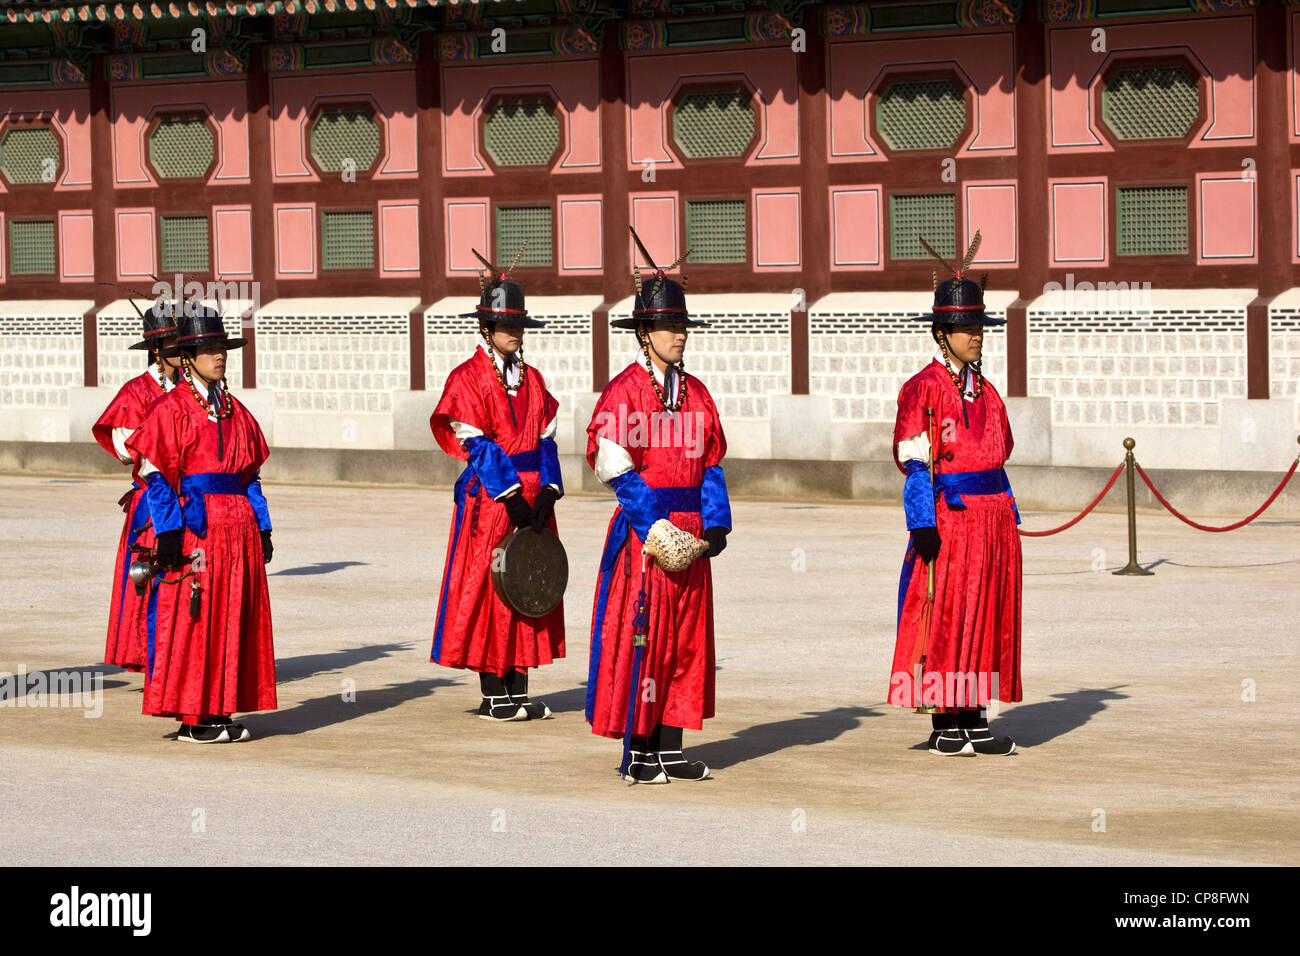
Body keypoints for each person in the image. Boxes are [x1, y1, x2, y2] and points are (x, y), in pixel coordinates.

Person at [584, 231, 731, 784]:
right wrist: (656, 527)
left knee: (686, 644)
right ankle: (639, 750)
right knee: (645, 640)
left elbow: (711, 461)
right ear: (644, 334)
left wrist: (716, 523)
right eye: (670, 327)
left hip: (693, 531)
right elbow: (616, 467)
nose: (679, 336)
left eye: (683, 327)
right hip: (649, 538)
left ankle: (671, 746)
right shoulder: (623, 392)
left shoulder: (696, 393)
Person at [889, 232, 1020, 756]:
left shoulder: (986, 390)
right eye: (967, 328)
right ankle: (945, 720)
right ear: (942, 333)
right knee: (946, 614)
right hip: (950, 518)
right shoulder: (923, 388)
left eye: (980, 328)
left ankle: (975, 715)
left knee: (984, 613)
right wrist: (921, 522)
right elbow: (915, 460)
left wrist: (1009, 509)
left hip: (992, 521)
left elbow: (1001, 452)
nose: (977, 337)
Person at [127, 305, 276, 743]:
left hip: (239, 530)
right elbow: (155, 472)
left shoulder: (236, 409)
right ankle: (192, 717)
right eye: (210, 349)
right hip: (197, 529)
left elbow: (251, 476)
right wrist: (169, 531)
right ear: (187, 356)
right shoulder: (170, 408)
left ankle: (218, 709)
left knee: (231, 617)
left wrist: (263, 526)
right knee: (194, 617)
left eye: (222, 348)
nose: (220, 356)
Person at [429, 249, 564, 721]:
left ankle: (520, 687)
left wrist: (548, 490)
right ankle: (493, 691)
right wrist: (511, 497)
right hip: (493, 498)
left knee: (529, 582)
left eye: (519, 325)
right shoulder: (467, 379)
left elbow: (547, 438)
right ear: (485, 328)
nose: (513, 332)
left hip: (533, 496)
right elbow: (476, 444)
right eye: (505, 325)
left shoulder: (535, 380)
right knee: (491, 588)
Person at [92, 302, 182, 673]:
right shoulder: (135, 393)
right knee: (151, 576)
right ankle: (152, 654)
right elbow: (125, 449)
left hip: (191, 496)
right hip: (154, 499)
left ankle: (181, 651)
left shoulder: (193, 390)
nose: (184, 352)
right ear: (157, 349)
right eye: (176, 345)